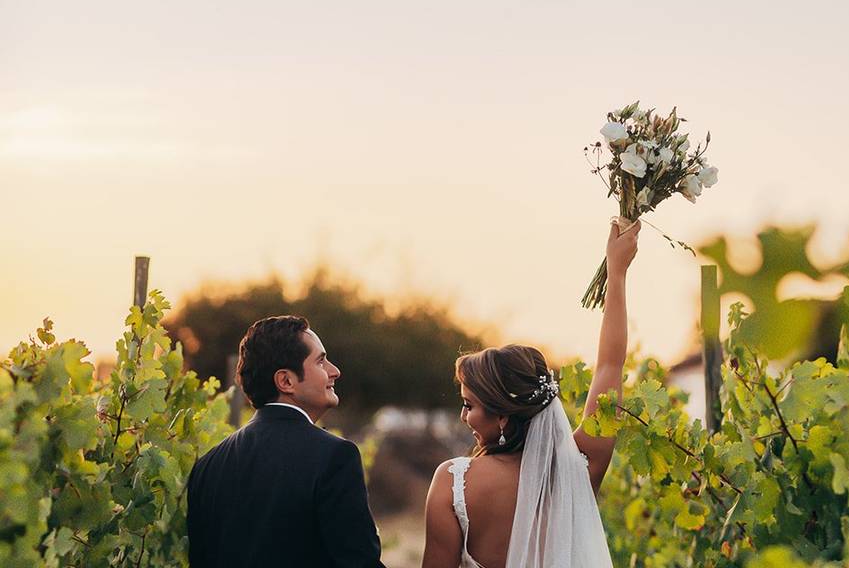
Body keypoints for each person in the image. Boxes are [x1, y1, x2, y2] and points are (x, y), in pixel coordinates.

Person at [421, 219, 640, 568]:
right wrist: (617, 273)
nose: (464, 416)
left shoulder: (453, 483)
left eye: (469, 405)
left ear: (503, 415)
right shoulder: (577, 471)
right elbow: (610, 366)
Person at [187, 315, 385, 568]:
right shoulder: (334, 457)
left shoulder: (206, 466)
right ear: (286, 381)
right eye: (321, 362)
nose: (335, 371)